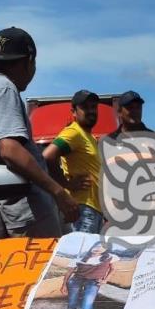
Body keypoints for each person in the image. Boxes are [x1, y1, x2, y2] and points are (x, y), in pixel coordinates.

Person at [0, 27, 78, 237]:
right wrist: (58, 191)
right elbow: (10, 149)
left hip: (13, 207)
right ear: (29, 60)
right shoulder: (3, 88)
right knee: (48, 269)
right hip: (27, 209)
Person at [43, 90, 103, 233]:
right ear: (74, 112)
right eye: (85, 107)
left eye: (93, 107)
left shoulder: (89, 137)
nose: (91, 111)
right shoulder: (74, 132)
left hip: (93, 210)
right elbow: (48, 155)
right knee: (81, 254)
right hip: (83, 209)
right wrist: (66, 184)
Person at [56, 243, 117, 309]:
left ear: (106, 250)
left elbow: (113, 269)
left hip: (93, 282)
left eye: (103, 247)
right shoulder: (81, 257)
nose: (98, 248)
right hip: (76, 280)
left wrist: (105, 280)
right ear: (92, 247)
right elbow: (69, 272)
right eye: (96, 246)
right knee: (72, 303)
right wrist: (64, 285)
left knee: (86, 305)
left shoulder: (110, 257)